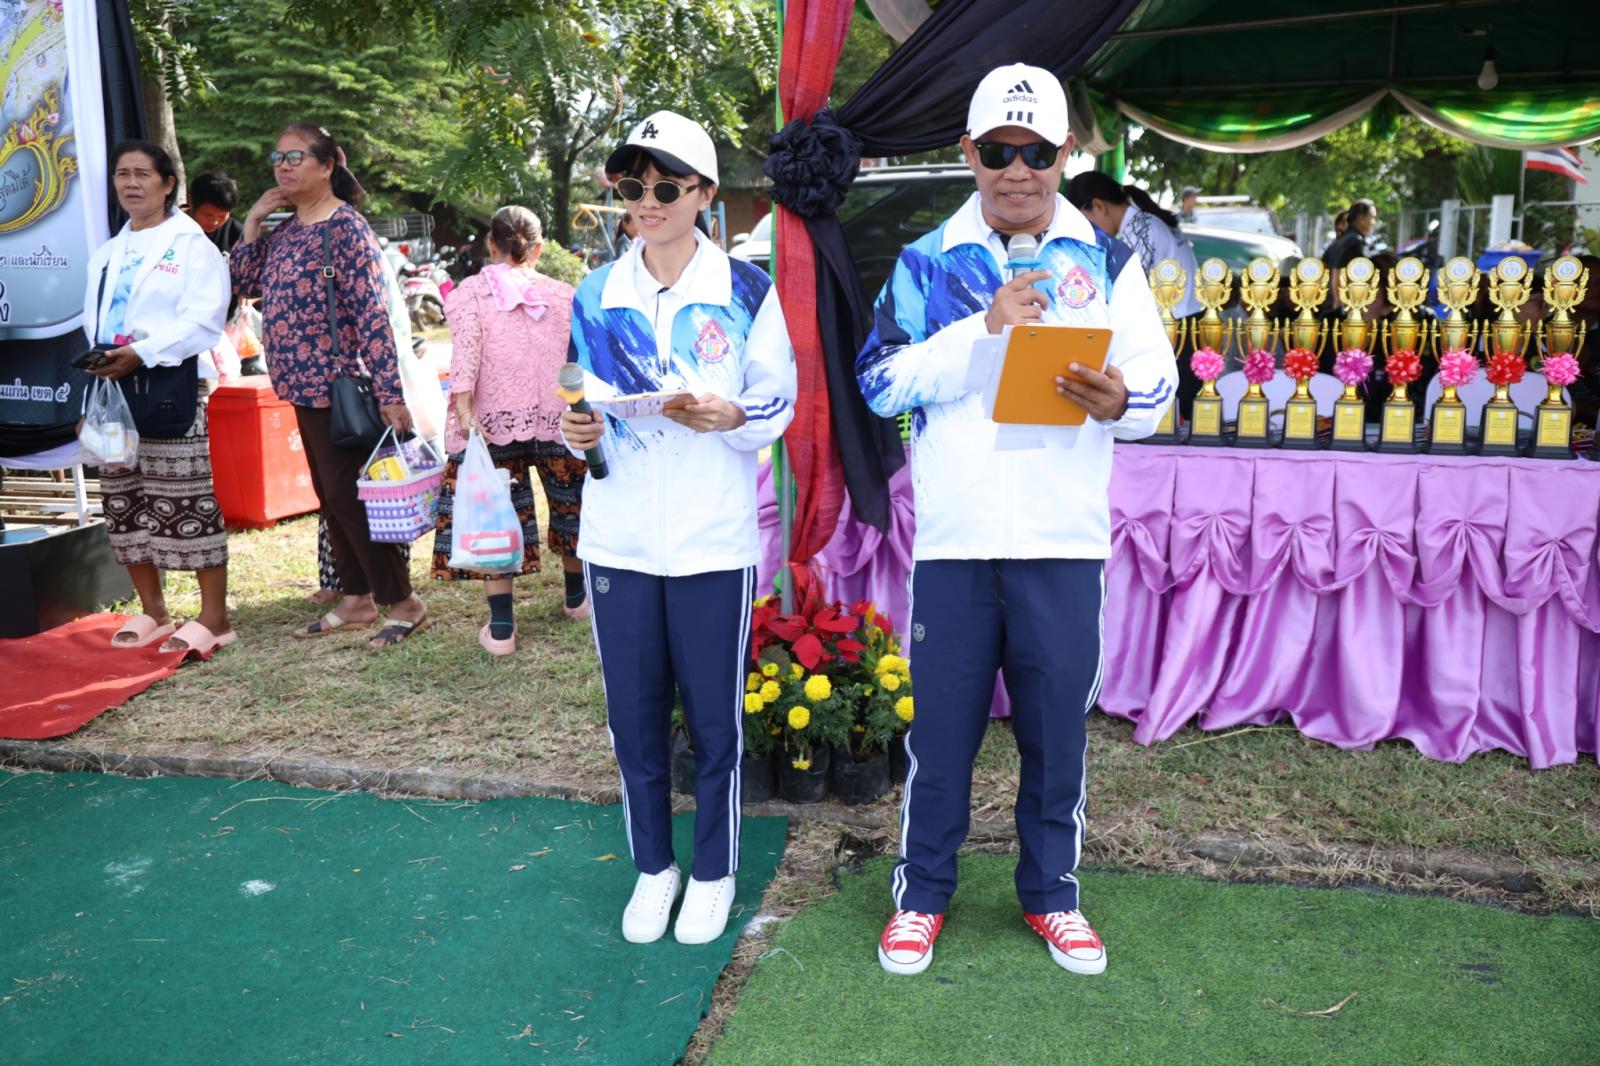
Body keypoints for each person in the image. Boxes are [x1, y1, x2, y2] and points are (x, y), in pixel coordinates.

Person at [856, 64, 1177, 977]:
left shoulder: (1107, 261)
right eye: (999, 150)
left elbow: (1158, 383)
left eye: (1037, 151)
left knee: (1056, 735)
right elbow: (879, 382)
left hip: (1061, 544)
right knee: (941, 737)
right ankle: (922, 897)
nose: (1019, 171)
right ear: (969, 153)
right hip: (956, 545)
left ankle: (1052, 896)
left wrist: (1123, 398)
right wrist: (980, 334)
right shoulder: (927, 260)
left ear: (1066, 152)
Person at [562, 110, 796, 946]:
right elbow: (580, 405)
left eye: (666, 187)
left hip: (710, 539)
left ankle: (714, 870)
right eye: (633, 185)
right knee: (633, 721)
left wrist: (730, 415)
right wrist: (577, 431)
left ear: (703, 193)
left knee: (714, 722)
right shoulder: (596, 293)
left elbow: (777, 401)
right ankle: (653, 866)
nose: (647, 202)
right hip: (620, 538)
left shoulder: (746, 291)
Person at [231, 121, 428, 648]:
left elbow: (373, 315)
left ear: (327, 165)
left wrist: (390, 393)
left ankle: (404, 602)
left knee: (350, 497)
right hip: (298, 385)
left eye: (295, 157)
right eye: (278, 157)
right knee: (331, 496)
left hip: (339, 386)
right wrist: (253, 221)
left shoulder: (346, 228)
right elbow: (244, 284)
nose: (283, 166)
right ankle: (357, 598)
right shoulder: (286, 230)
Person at [83, 140, 234, 656]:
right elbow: (94, 321)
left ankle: (215, 617)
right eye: (122, 174)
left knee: (186, 499)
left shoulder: (192, 246)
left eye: (142, 174)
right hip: (112, 388)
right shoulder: (109, 250)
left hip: (169, 385)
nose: (130, 183)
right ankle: (155, 611)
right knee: (122, 502)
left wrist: (142, 352)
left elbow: (205, 321)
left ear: (168, 184)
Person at [433, 205, 588, 655]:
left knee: (495, 513)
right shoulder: (564, 293)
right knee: (571, 504)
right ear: (538, 249)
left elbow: (466, 355)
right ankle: (577, 598)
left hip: (490, 418)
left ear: (490, 244)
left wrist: (464, 413)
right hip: (557, 414)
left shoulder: (470, 293)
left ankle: (502, 628)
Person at [1067, 172, 1201, 414]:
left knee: (1173, 415)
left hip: (1175, 331)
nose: (1088, 232)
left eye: (1086, 221)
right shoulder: (1146, 221)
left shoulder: (1138, 229)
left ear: (1098, 205)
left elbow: (1123, 292)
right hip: (1188, 324)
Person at [184, 171, 245, 257]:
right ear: (190, 201)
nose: (215, 222)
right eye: (208, 216)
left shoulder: (238, 235)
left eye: (221, 216)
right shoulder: (170, 226)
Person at [1324, 199, 1377, 271]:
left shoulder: (1337, 242)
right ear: (1361, 218)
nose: (1374, 222)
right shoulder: (1356, 242)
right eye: (1372, 217)